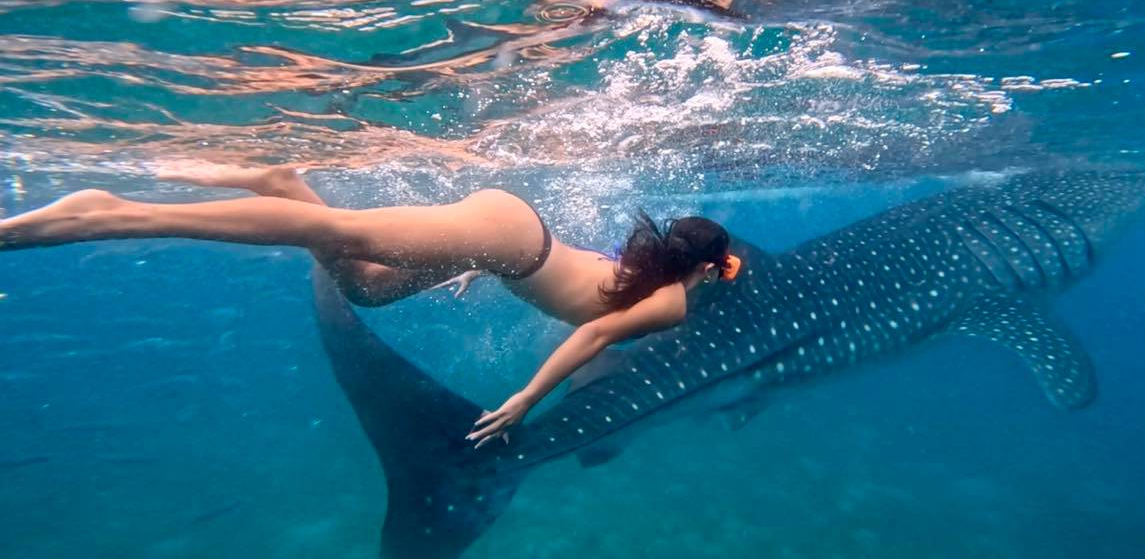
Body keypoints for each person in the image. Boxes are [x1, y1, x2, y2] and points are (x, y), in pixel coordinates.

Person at [0, 164, 742, 446]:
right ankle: (112, 211)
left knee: (364, 285)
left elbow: (575, 270)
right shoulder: (672, 303)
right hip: (505, 239)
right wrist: (524, 398)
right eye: (726, 268)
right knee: (341, 231)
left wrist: (480, 264)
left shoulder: (647, 272)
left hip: (506, 241)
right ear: (709, 268)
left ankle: (285, 188)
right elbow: (593, 336)